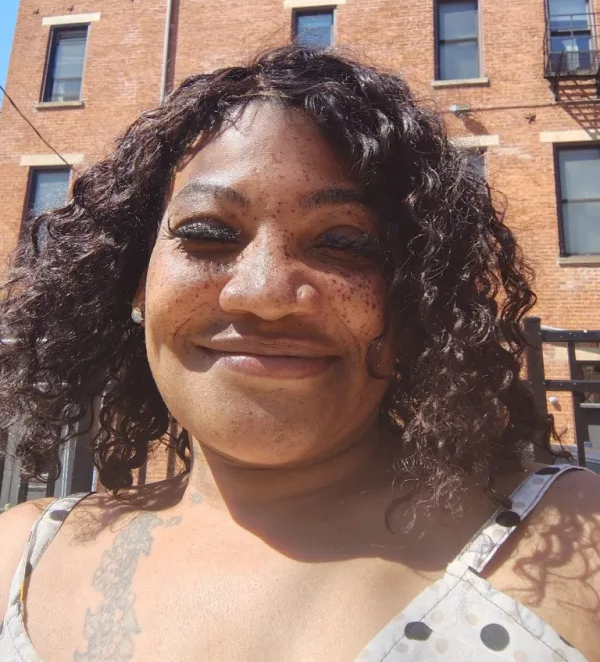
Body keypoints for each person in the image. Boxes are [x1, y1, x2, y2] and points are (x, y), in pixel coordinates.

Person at [0, 46, 598, 662]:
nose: (264, 293)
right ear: (136, 281)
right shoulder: (18, 558)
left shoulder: (577, 546)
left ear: (414, 293)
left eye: (344, 242)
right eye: (207, 234)